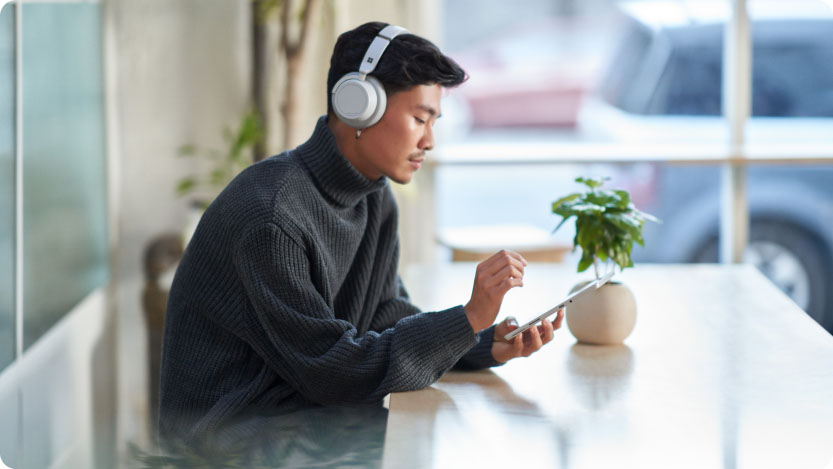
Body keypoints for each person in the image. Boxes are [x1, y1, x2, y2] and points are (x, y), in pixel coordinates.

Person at [158, 21, 564, 449]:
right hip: (230, 445)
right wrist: (467, 319)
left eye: (434, 121)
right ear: (358, 105)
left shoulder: (373, 196)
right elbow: (332, 373)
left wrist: (481, 341)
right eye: (419, 118)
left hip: (302, 422)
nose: (429, 140)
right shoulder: (270, 217)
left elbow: (384, 313)